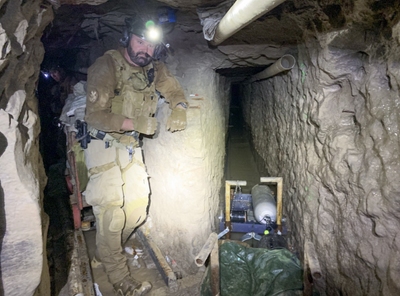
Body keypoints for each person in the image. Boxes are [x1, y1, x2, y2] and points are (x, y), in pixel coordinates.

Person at [84, 15, 188, 296]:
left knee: (138, 207)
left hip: (130, 147)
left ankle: (107, 251)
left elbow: (174, 89)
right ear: (127, 38)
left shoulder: (153, 69)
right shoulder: (107, 65)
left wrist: (179, 107)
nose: (144, 49)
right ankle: (120, 279)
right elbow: (94, 116)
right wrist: (135, 124)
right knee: (112, 213)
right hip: (103, 144)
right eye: (139, 41)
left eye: (150, 45)